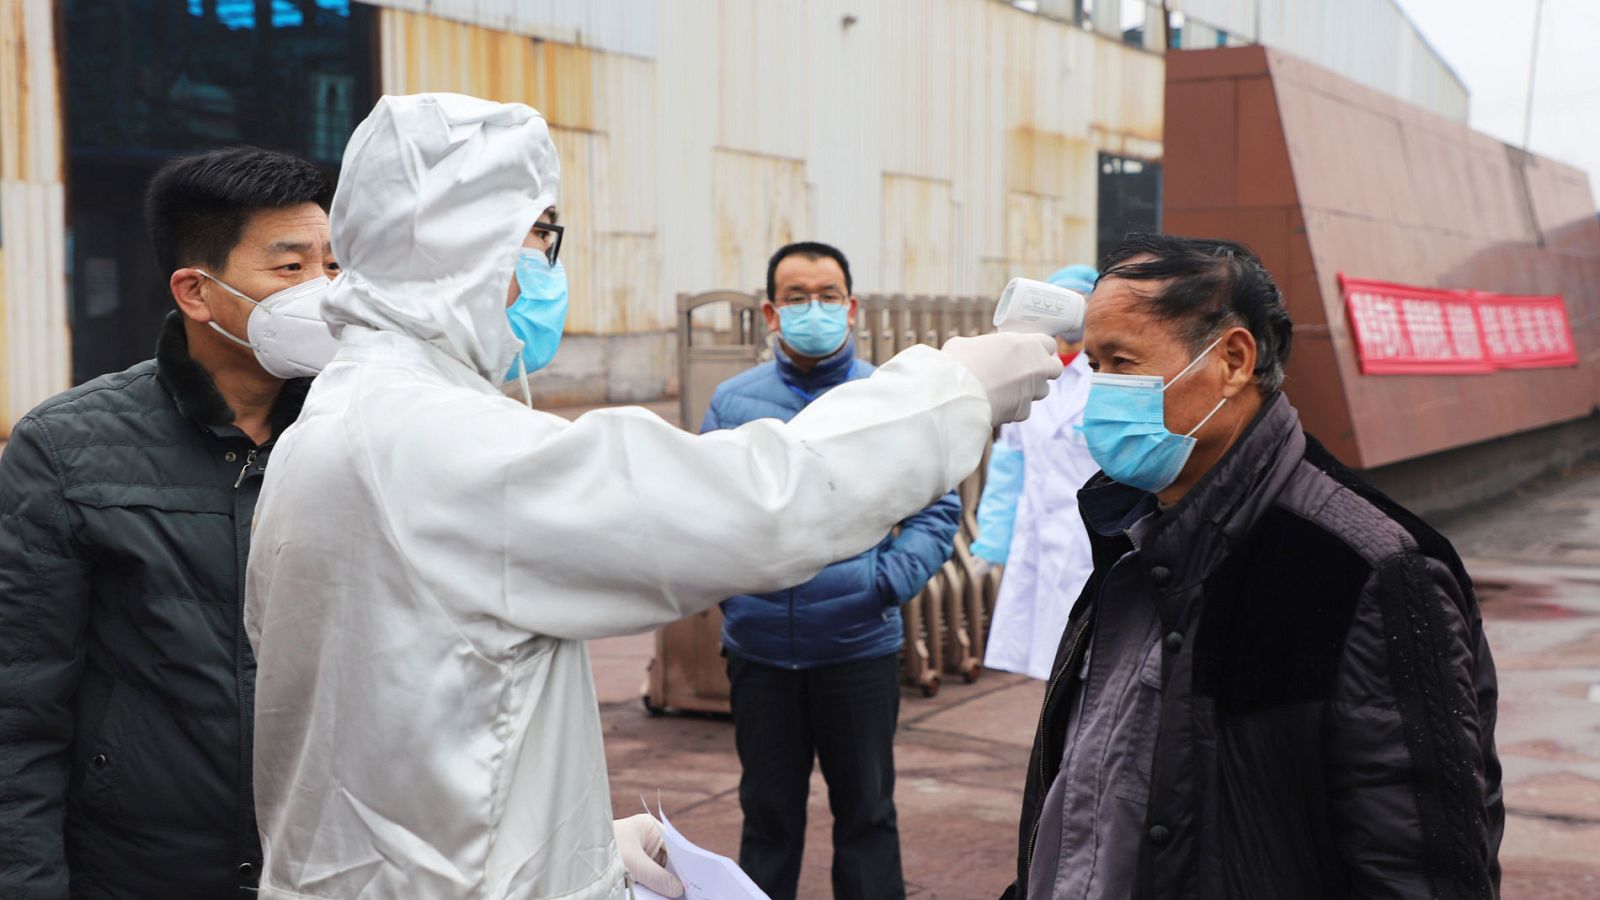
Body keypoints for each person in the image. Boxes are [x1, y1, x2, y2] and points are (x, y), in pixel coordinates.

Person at [243, 93, 1061, 900]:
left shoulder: (339, 420)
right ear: (471, 241)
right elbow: (754, 501)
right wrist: (953, 388)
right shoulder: (428, 436)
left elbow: (416, 725)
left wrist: (576, 839)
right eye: (540, 233)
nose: (545, 267)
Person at [1002, 233, 1502, 900]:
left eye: (1123, 363)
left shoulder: (1365, 569)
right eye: (1095, 366)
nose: (1099, 395)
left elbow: (1420, 866)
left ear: (1233, 360)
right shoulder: (1131, 539)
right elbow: (1084, 801)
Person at [0, 147, 341, 898]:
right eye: (290, 269)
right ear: (196, 290)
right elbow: (19, 710)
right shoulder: (65, 449)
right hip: (142, 868)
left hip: (333, 863)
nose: (324, 293)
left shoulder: (362, 432)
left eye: (333, 266)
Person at [700, 241, 958, 900]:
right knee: (767, 822)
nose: (811, 309)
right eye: (795, 297)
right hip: (759, 653)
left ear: (850, 307)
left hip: (857, 649)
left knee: (868, 818)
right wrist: (736, 595)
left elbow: (937, 508)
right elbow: (699, 511)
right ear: (770, 312)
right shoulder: (732, 403)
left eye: (825, 296)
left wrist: (885, 584)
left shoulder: (889, 398)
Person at [971, 263, 1101, 680]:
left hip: (1092, 544)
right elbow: (1010, 466)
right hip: (1038, 539)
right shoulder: (1032, 373)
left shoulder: (1107, 376)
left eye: (1080, 303)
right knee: (1047, 663)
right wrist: (991, 543)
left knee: (1090, 662)